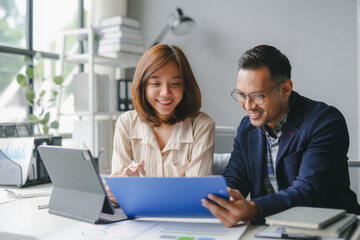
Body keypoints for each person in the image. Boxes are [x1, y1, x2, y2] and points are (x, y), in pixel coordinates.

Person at [201, 44, 360, 227]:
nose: (248, 105)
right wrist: (224, 199)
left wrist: (252, 208)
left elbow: (309, 192)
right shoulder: (247, 128)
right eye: (242, 95)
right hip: (270, 230)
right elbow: (235, 179)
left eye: (257, 96)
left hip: (331, 229)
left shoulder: (325, 121)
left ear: (285, 89)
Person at [111, 44, 215, 178]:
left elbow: (195, 192)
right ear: (143, 86)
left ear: (185, 86)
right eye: (155, 84)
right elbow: (118, 188)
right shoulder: (126, 123)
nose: (165, 93)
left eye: (175, 84)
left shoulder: (202, 126)